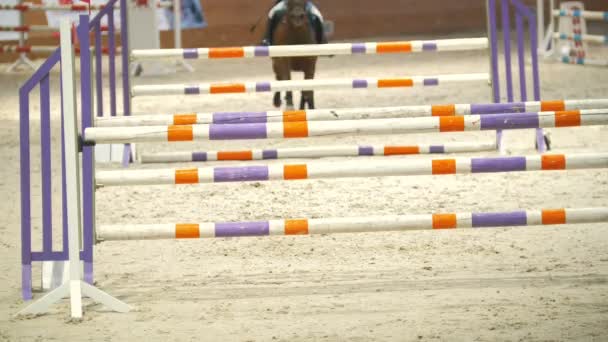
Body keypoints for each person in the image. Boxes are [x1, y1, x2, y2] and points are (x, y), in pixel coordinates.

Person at [261, 0, 327, 46]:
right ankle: (267, 39)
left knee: (318, 15)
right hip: (287, 2)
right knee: (272, 12)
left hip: (304, 3)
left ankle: (322, 41)